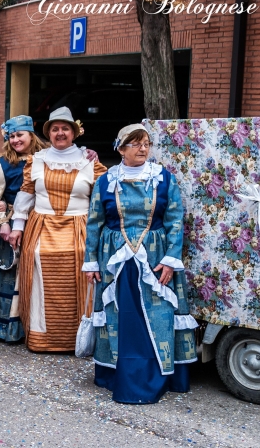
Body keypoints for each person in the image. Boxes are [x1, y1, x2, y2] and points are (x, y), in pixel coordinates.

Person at [82, 124, 198, 404]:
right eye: (136, 144)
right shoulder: (106, 181)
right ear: (121, 149)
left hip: (155, 259)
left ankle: (157, 376)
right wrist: (91, 262)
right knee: (120, 318)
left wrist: (171, 260)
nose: (143, 148)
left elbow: (174, 221)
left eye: (146, 143)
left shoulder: (163, 179)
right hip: (116, 261)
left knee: (157, 316)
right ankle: (117, 375)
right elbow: (95, 222)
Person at [8, 107, 106, 352]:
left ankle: (81, 339)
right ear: (48, 134)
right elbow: (26, 193)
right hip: (42, 228)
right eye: (55, 129)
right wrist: (18, 227)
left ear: (74, 132)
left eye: (65, 128)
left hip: (79, 229)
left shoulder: (90, 161)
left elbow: (102, 200)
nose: (60, 133)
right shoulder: (37, 160)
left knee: (82, 277)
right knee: (40, 280)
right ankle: (42, 338)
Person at [0, 115, 48, 342]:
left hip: (40, 221)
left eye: (20, 135)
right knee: (11, 272)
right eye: (12, 136)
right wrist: (3, 221)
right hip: (12, 223)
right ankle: (6, 327)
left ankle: (35, 325)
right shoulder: (3, 163)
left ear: (31, 135)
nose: (16, 140)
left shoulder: (46, 158)